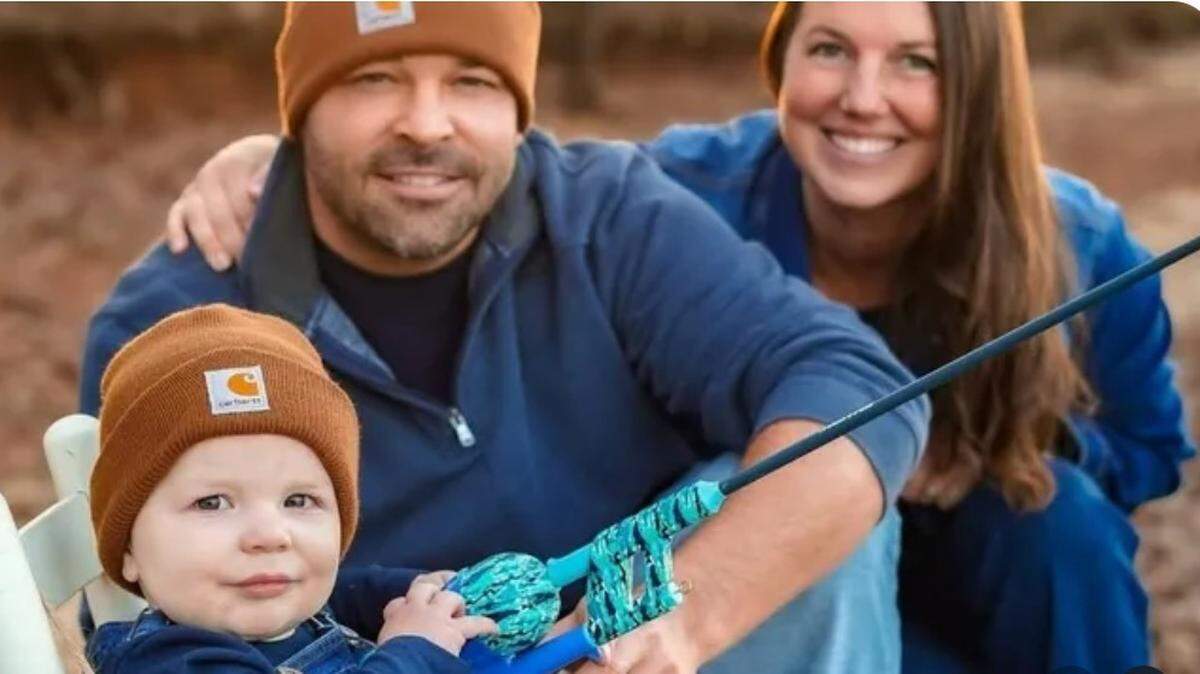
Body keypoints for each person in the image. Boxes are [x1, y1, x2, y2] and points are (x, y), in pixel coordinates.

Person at [168, 2, 1196, 673]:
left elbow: (1150, 458)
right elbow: (508, 179)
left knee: (1055, 517)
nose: (862, 98)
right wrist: (288, 155)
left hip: (994, 564)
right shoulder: (686, 192)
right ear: (780, 62)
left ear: (974, 91)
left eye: (916, 63)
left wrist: (978, 459)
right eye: (829, 50)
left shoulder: (1082, 239)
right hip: (784, 577)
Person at [81, 3, 931, 673]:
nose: (426, 123)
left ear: (518, 109)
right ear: (302, 111)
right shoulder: (172, 332)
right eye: (373, 78)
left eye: (472, 82)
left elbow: (853, 382)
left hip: (658, 650)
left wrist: (689, 617)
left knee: (818, 490)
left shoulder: (608, 212)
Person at [85, 304, 494, 673]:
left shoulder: (293, 609)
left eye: (298, 500)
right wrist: (418, 652)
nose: (269, 536)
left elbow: (354, 593)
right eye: (212, 502)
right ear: (128, 549)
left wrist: (428, 592)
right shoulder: (169, 662)